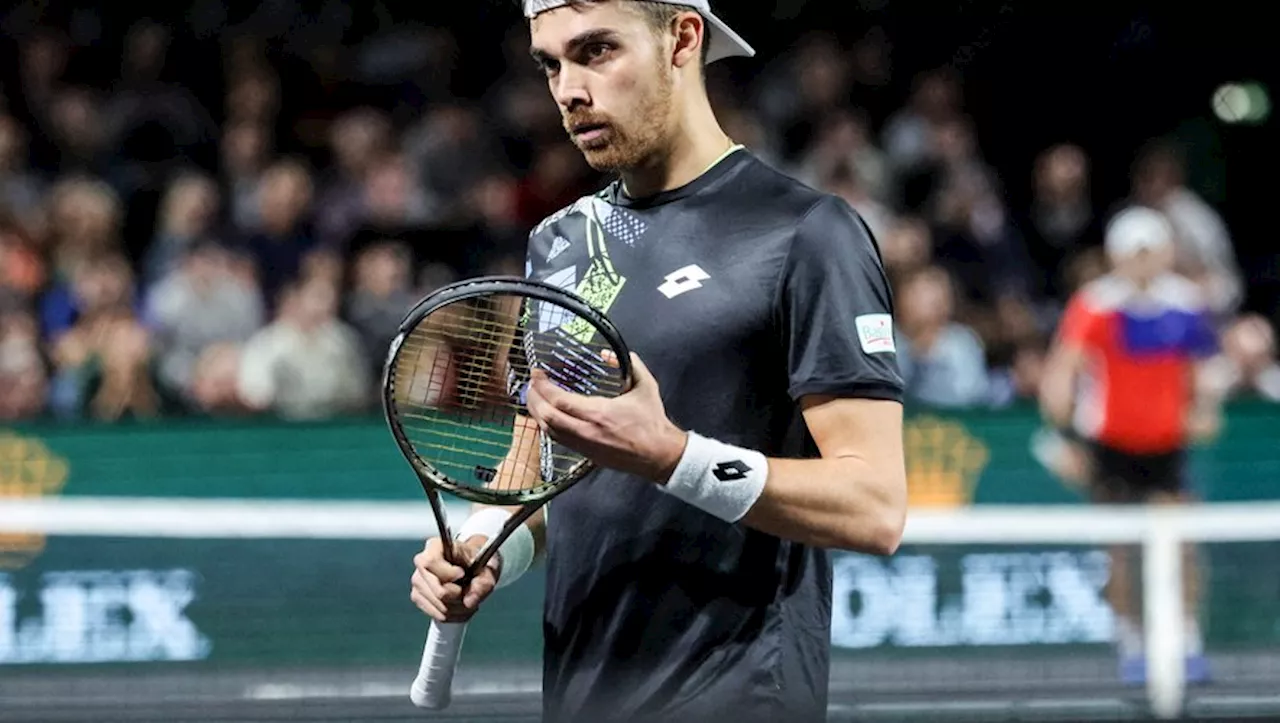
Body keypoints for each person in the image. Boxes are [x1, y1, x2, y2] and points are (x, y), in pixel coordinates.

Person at [409, 2, 908, 722]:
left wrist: (674, 456)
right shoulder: (560, 242)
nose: (568, 90)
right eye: (551, 64)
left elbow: (876, 505)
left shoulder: (806, 233)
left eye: (596, 51)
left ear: (682, 38)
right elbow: (536, 480)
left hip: (740, 695)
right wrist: (485, 547)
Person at [1039, 206, 1221, 686]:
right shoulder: (1095, 305)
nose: (1143, 262)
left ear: (1164, 252)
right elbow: (1062, 373)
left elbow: (1205, 370)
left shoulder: (1185, 303)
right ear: (1118, 256)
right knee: (1118, 552)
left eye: (1150, 251)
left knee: (1181, 547)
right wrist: (1063, 438)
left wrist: (1204, 406)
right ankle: (1132, 644)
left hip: (1167, 449)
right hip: (1110, 448)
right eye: (1133, 252)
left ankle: (1187, 641)